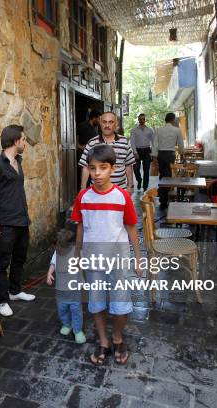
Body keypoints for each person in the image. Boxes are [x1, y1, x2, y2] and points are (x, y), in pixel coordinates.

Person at [71, 144, 142, 366]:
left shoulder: (122, 197)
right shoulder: (83, 197)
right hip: (93, 259)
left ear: (112, 168)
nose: (97, 173)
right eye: (93, 168)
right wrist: (77, 254)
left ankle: (118, 337)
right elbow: (81, 226)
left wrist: (138, 258)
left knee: (120, 303)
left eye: (103, 168)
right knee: (96, 302)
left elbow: (131, 229)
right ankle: (104, 341)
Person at [0, 124, 36, 317]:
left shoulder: (18, 162)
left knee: (20, 258)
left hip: (22, 220)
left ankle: (15, 291)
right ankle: (2, 300)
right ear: (16, 141)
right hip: (6, 223)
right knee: (2, 263)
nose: (25, 143)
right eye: (23, 139)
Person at [79, 111, 135, 193]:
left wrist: (130, 185)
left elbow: (128, 165)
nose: (107, 125)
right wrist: (83, 188)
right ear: (100, 123)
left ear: (116, 124)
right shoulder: (92, 143)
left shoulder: (124, 142)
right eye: (104, 122)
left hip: (119, 191)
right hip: (96, 192)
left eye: (111, 122)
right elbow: (85, 166)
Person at [46, 230, 85, 344]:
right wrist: (49, 273)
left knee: (75, 309)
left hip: (74, 289)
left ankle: (77, 330)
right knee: (62, 308)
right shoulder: (57, 253)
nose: (57, 250)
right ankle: (67, 324)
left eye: (58, 248)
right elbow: (53, 263)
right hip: (61, 289)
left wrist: (82, 281)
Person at [152, 112, 184, 210]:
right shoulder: (177, 130)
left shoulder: (159, 130)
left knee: (162, 176)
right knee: (169, 176)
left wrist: (154, 156)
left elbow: (155, 144)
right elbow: (180, 144)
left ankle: (163, 199)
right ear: (173, 119)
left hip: (161, 155)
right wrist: (182, 154)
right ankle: (165, 198)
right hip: (171, 155)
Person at [129, 113, 154, 191]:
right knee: (136, 169)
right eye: (140, 119)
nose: (142, 120)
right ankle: (139, 180)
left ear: (145, 120)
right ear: (138, 120)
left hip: (147, 150)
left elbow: (153, 142)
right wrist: (135, 152)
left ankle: (145, 187)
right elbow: (132, 142)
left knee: (146, 170)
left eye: (143, 119)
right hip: (138, 150)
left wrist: (153, 152)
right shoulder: (134, 130)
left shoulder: (149, 130)